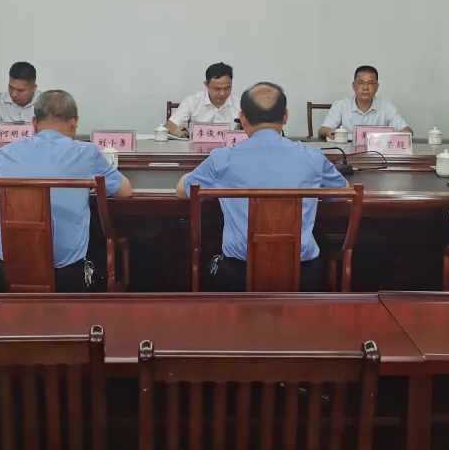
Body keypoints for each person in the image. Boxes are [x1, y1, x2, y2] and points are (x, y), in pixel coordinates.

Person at [176, 82, 347, 291]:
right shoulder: (313, 157)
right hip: (303, 277)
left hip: (238, 277)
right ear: (285, 116)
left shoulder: (222, 159)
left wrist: (199, 173)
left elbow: (183, 191)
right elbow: (343, 191)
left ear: (243, 118)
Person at [0, 89, 132, 292]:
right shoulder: (86, 153)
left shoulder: (10, 151)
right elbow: (124, 191)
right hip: (66, 276)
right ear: (75, 122)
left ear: (34, 122)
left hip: (9, 269)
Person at [317, 66, 411, 139]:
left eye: (370, 83)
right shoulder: (341, 105)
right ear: (354, 86)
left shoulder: (386, 105)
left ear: (377, 87)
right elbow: (322, 130)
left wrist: (394, 137)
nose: (365, 88)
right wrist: (336, 133)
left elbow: (407, 131)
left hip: (378, 154)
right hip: (346, 154)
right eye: (361, 82)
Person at [166, 62, 241, 137]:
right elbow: (169, 125)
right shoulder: (193, 101)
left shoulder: (241, 102)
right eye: (217, 89)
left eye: (227, 88)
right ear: (206, 84)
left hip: (231, 144)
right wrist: (178, 131)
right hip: (198, 144)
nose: (222, 93)